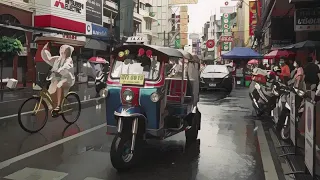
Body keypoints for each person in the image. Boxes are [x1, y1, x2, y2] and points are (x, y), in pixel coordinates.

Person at [41, 43, 75, 114]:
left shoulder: (69, 60)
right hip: (57, 78)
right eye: (61, 50)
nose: (61, 52)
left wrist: (59, 70)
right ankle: (50, 104)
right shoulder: (57, 59)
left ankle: (58, 106)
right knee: (49, 90)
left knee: (59, 85)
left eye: (63, 51)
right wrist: (44, 49)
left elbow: (67, 66)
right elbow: (48, 59)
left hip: (67, 79)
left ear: (67, 52)